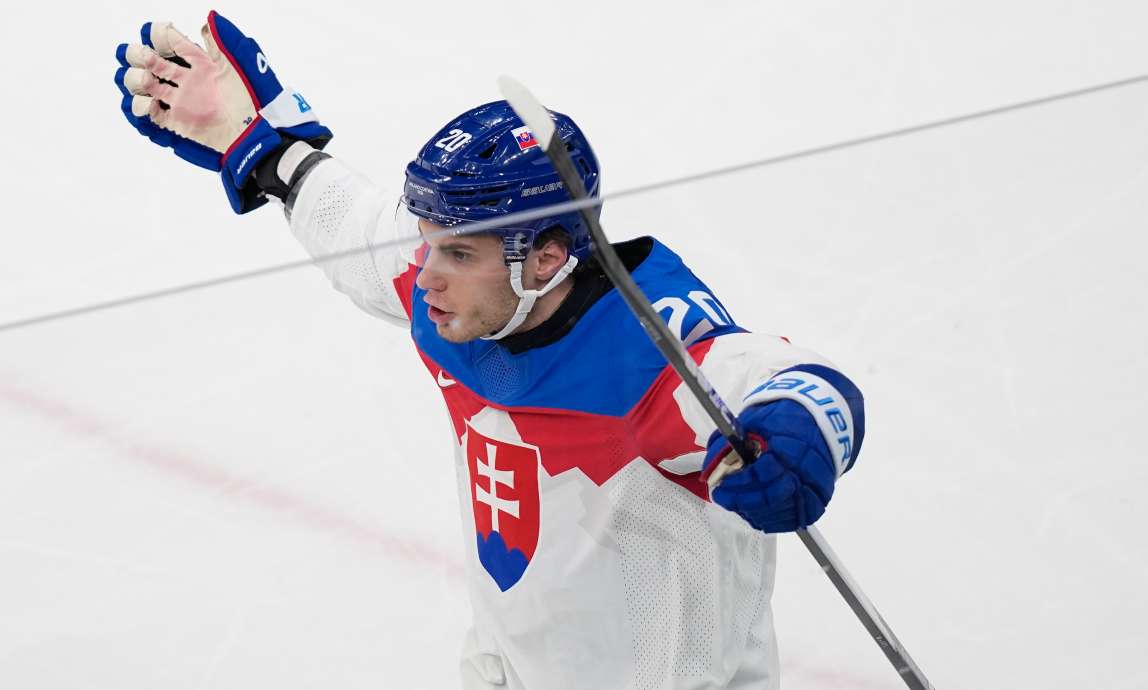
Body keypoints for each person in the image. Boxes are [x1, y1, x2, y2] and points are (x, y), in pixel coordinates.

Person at [114, 12, 866, 690]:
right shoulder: (465, 290)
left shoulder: (654, 357)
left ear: (545, 258)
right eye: (429, 241)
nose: (423, 276)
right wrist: (262, 146)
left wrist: (800, 430)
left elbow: (791, 382)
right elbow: (355, 227)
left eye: (458, 254)